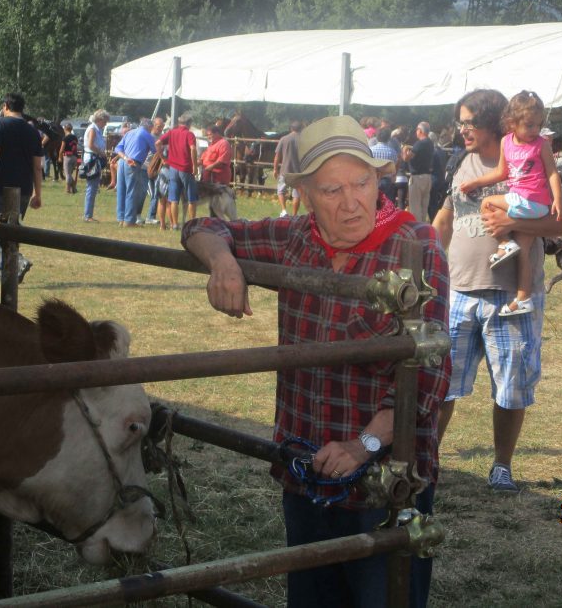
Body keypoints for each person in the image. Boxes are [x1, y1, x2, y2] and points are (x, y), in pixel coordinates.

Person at [183, 115, 450, 608]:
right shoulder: (295, 238)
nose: (352, 202)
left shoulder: (415, 246)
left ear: (378, 180)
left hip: (382, 482)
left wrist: (364, 443)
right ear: (304, 193)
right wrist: (223, 261)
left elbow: (429, 374)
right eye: (331, 190)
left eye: (362, 183)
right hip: (305, 470)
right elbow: (201, 225)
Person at [432, 89, 562, 492]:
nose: (463, 130)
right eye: (461, 122)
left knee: (512, 387)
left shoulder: (526, 160)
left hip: (509, 294)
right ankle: (430, 458)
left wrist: (515, 226)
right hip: (458, 291)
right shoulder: (460, 163)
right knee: (442, 384)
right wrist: (429, 267)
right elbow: (445, 218)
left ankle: (501, 466)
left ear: (495, 123)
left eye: (470, 122)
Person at [458, 90, 562, 317]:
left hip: (529, 200)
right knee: (523, 254)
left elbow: (552, 173)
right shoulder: (509, 143)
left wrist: (557, 199)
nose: (535, 130)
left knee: (488, 202)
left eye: (538, 125)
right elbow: (502, 172)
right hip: (530, 205)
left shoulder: (540, 144)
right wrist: (476, 181)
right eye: (530, 125)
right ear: (512, 123)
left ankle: (505, 242)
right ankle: (522, 298)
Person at [0, 92, 44, 283]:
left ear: (6, 105)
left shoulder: (0, 124)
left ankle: (17, 261)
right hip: (23, 188)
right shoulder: (32, 131)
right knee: (10, 227)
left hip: (1, 185)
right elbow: (37, 166)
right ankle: (5, 271)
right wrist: (37, 194)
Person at [156, 112, 198, 230]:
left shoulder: (171, 132)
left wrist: (163, 158)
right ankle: (192, 225)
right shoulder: (189, 134)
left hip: (173, 169)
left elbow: (158, 143)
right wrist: (194, 165)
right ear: (189, 123)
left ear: (179, 122)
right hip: (186, 169)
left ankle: (174, 224)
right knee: (191, 198)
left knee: (173, 199)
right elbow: (193, 148)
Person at [114, 118, 157, 227]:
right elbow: (156, 151)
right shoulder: (147, 135)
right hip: (133, 163)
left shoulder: (129, 133)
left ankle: (121, 218)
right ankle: (129, 221)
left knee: (121, 190)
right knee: (132, 191)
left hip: (122, 161)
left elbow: (118, 148)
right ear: (149, 127)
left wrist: (124, 157)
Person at [82, 109, 109, 222]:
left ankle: (88, 214)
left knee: (93, 188)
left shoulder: (97, 129)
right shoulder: (93, 129)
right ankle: (88, 215)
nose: (105, 124)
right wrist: (101, 152)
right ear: (99, 120)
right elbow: (90, 145)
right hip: (92, 160)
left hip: (95, 159)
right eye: (105, 121)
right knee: (91, 188)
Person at [405, 122, 434, 222]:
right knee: (424, 206)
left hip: (417, 177)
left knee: (415, 207)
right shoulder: (430, 143)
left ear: (420, 131)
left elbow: (406, 158)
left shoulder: (419, 143)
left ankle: (417, 230)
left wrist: (404, 150)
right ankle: (424, 228)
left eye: (417, 130)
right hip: (427, 176)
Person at [274, 121, 302, 216]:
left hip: (285, 170)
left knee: (281, 191)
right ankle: (294, 215)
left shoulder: (284, 139)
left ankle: (284, 210)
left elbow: (277, 156)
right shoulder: (304, 140)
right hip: (298, 172)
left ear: (291, 129)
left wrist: (275, 169)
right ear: (301, 129)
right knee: (297, 194)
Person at [369, 126, 399, 203]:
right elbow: (394, 166)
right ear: (389, 138)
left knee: (374, 204)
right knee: (387, 204)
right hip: (388, 181)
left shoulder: (371, 150)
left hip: (374, 180)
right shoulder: (392, 152)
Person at [59, 122, 79, 194]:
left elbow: (62, 149)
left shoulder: (65, 138)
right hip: (75, 157)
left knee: (67, 174)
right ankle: (74, 188)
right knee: (69, 174)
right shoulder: (75, 137)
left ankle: (67, 190)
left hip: (68, 156)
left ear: (65, 129)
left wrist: (60, 157)